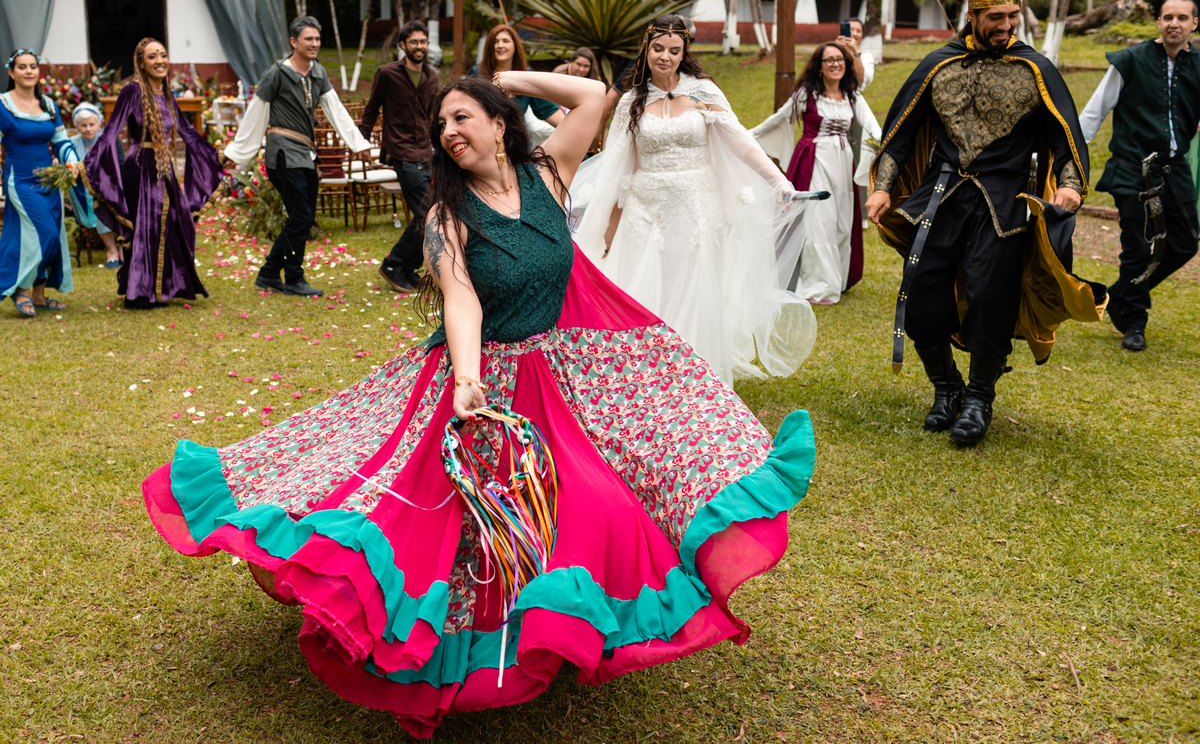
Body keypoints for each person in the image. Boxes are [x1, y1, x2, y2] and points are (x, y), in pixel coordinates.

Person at [139, 70, 817, 738]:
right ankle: (483, 645)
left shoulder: (550, 175)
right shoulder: (444, 216)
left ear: (501, 123)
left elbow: (591, 96)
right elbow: (460, 295)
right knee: (449, 523)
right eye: (441, 124)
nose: (448, 131)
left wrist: (503, 77)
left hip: (555, 378)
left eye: (462, 116)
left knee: (600, 503)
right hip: (480, 385)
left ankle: (564, 630)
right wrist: (467, 377)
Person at [865, 0, 1104, 446]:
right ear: (972, 15)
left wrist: (1072, 187)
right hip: (941, 196)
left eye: (1012, 16)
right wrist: (884, 187)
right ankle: (945, 385)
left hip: (1003, 203)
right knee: (922, 290)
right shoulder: (938, 64)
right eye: (996, 17)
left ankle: (978, 398)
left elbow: (1064, 137)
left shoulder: (1037, 68)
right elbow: (903, 133)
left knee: (989, 294)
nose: (1006, 25)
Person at [572, 15, 818, 384]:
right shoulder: (631, 101)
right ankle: (647, 372)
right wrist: (606, 225)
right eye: (658, 48)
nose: (665, 57)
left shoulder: (704, 92)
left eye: (674, 50)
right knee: (643, 285)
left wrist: (778, 180)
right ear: (646, 48)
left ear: (684, 52)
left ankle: (691, 374)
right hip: (646, 206)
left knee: (691, 284)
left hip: (696, 206)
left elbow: (741, 142)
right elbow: (619, 163)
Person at [1078, 0, 1200, 352]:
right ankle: (1134, 322)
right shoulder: (1129, 60)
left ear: (1195, 23)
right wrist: (1071, 157)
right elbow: (1093, 112)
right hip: (1131, 167)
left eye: (1181, 18)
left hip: (1174, 168)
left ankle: (1120, 295)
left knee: (1186, 243)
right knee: (1137, 246)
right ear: (1158, 22)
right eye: (1166, 17)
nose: (1173, 23)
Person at [224, 16, 372, 298]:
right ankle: (292, 277)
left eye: (317, 39)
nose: (315, 44)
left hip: (306, 154)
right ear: (294, 42)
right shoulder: (276, 73)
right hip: (282, 153)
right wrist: (237, 151)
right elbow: (256, 113)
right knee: (301, 216)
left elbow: (335, 109)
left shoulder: (318, 73)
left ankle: (269, 273)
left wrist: (358, 143)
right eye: (309, 39)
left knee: (302, 216)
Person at [82, 38, 220, 310]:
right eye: (152, 56)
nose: (159, 61)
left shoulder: (166, 93)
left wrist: (216, 155)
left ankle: (165, 287)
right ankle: (140, 293)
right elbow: (110, 133)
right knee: (147, 228)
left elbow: (187, 133)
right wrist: (88, 162)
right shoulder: (132, 91)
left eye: (163, 55)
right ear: (141, 63)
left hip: (163, 165)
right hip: (142, 165)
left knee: (172, 224)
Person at [752, 42, 882, 304]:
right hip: (814, 161)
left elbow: (872, 126)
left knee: (842, 224)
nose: (836, 64)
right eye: (829, 60)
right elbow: (779, 119)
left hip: (844, 164)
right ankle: (819, 288)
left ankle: (839, 278)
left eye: (840, 60)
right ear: (819, 67)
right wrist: (746, 138)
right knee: (819, 222)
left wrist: (886, 145)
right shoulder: (805, 95)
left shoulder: (852, 95)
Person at [0, 49, 91, 316]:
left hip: (50, 182)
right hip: (21, 181)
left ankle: (39, 295)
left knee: (53, 236)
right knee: (44, 233)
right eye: (22, 67)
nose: (29, 71)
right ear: (11, 72)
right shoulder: (4, 105)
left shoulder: (48, 105)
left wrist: (72, 162)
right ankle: (21, 289)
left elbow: (61, 141)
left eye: (33, 66)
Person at [360, 20, 439, 293]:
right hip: (402, 154)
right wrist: (362, 142)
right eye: (414, 42)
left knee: (431, 211)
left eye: (423, 41)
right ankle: (394, 264)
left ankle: (406, 268)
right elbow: (371, 110)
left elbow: (434, 116)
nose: (420, 46)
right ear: (403, 45)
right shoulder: (387, 73)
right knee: (428, 212)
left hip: (426, 152)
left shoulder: (432, 77)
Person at [470, 24, 565, 131]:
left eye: (505, 41)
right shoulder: (476, 73)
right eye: (495, 42)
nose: (500, 45)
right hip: (484, 140)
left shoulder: (526, 76)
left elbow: (548, 109)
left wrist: (574, 132)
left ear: (515, 46)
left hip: (515, 143)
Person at [68, 102, 122, 267]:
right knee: (98, 205)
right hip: (83, 191)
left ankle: (122, 247)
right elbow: (67, 164)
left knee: (120, 204)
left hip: (111, 186)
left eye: (92, 124)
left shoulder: (110, 139)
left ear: (99, 124)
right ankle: (112, 249)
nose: (88, 128)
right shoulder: (71, 143)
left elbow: (121, 163)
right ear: (77, 126)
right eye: (83, 125)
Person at [836, 18, 875, 90]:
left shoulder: (866, 57)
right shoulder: (833, 51)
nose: (854, 34)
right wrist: (835, 47)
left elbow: (860, 81)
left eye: (858, 31)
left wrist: (855, 52)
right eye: (851, 29)